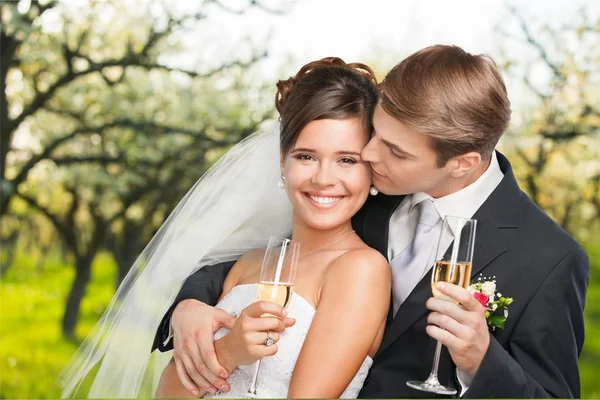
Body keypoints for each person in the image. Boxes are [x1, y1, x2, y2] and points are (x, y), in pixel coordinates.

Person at [153, 45, 590, 398]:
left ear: (462, 163)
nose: (370, 155)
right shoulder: (368, 190)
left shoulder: (549, 259)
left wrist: (481, 360)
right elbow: (275, 257)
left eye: (396, 150)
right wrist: (190, 304)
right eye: (376, 133)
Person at [60, 58, 390, 398]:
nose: (323, 178)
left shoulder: (360, 270)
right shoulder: (247, 265)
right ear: (282, 161)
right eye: (306, 156)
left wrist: (228, 351)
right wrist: (230, 350)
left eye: (347, 160)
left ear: (371, 168)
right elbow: (168, 393)